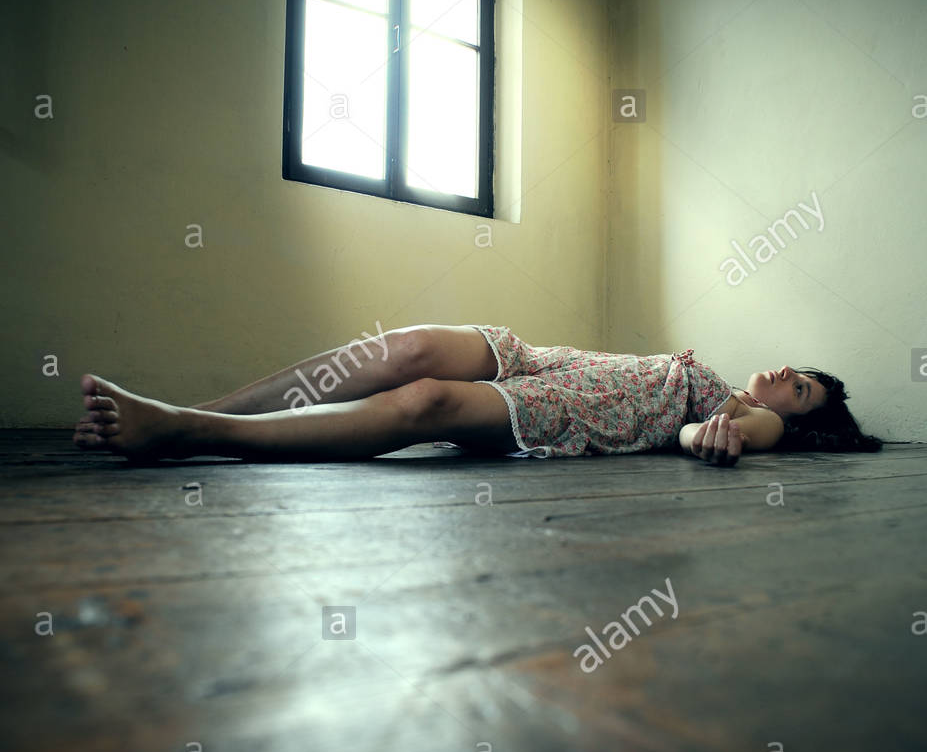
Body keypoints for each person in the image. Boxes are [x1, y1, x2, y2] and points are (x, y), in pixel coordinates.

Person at [72, 323, 882, 468]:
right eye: (798, 372)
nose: (786, 375)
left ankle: (181, 430)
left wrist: (706, 438)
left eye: (802, 388)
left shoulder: (761, 419)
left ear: (801, 414)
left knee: (425, 399)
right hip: (548, 360)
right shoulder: (724, 379)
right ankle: (208, 404)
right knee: (410, 348)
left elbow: (720, 437)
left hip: (576, 414)